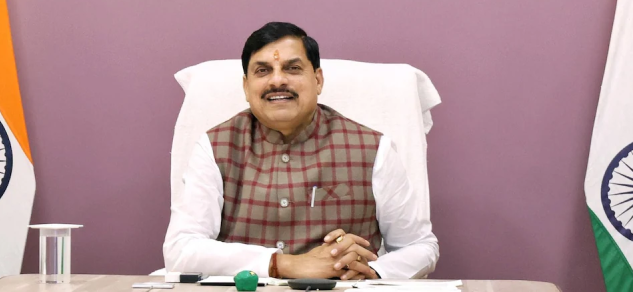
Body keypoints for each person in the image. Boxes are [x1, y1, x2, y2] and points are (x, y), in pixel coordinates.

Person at [163, 22, 438, 280]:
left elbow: (420, 246)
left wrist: (373, 270)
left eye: (292, 68)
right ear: (246, 87)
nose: (277, 80)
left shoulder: (372, 148)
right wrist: (283, 264)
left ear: (318, 80)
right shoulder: (216, 147)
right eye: (263, 71)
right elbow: (181, 249)